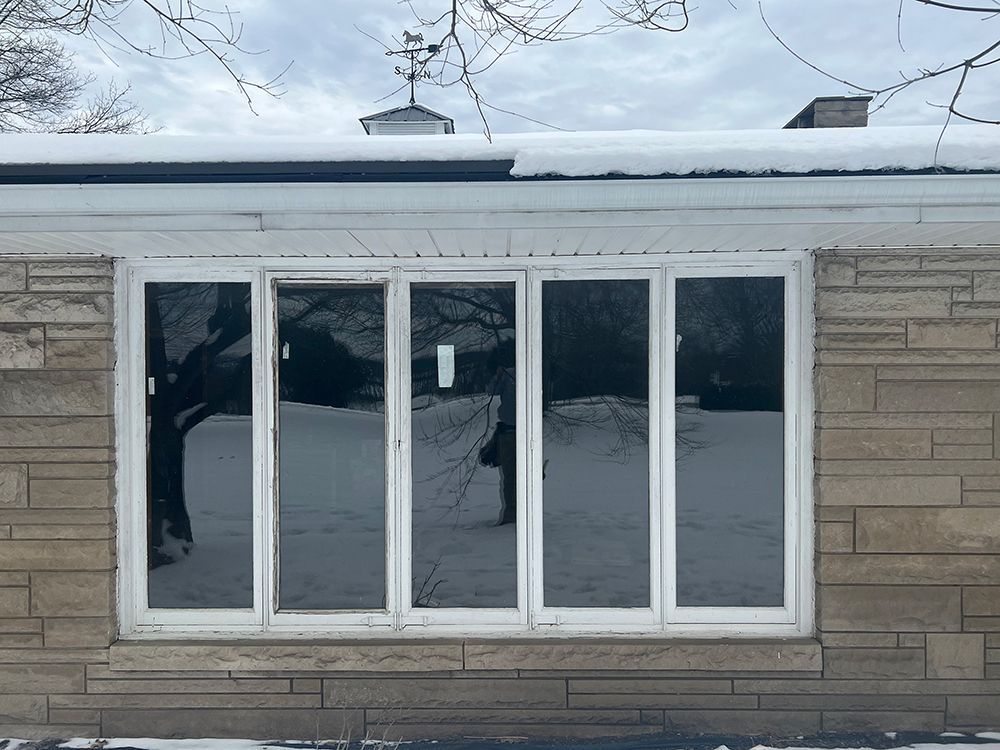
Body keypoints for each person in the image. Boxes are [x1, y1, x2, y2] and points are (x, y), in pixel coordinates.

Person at [488, 339, 516, 526]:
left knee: (511, 476)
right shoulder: (510, 374)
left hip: (515, 431)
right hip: (511, 431)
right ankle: (514, 512)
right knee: (513, 475)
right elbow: (491, 390)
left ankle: (512, 514)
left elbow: (491, 390)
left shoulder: (512, 375)